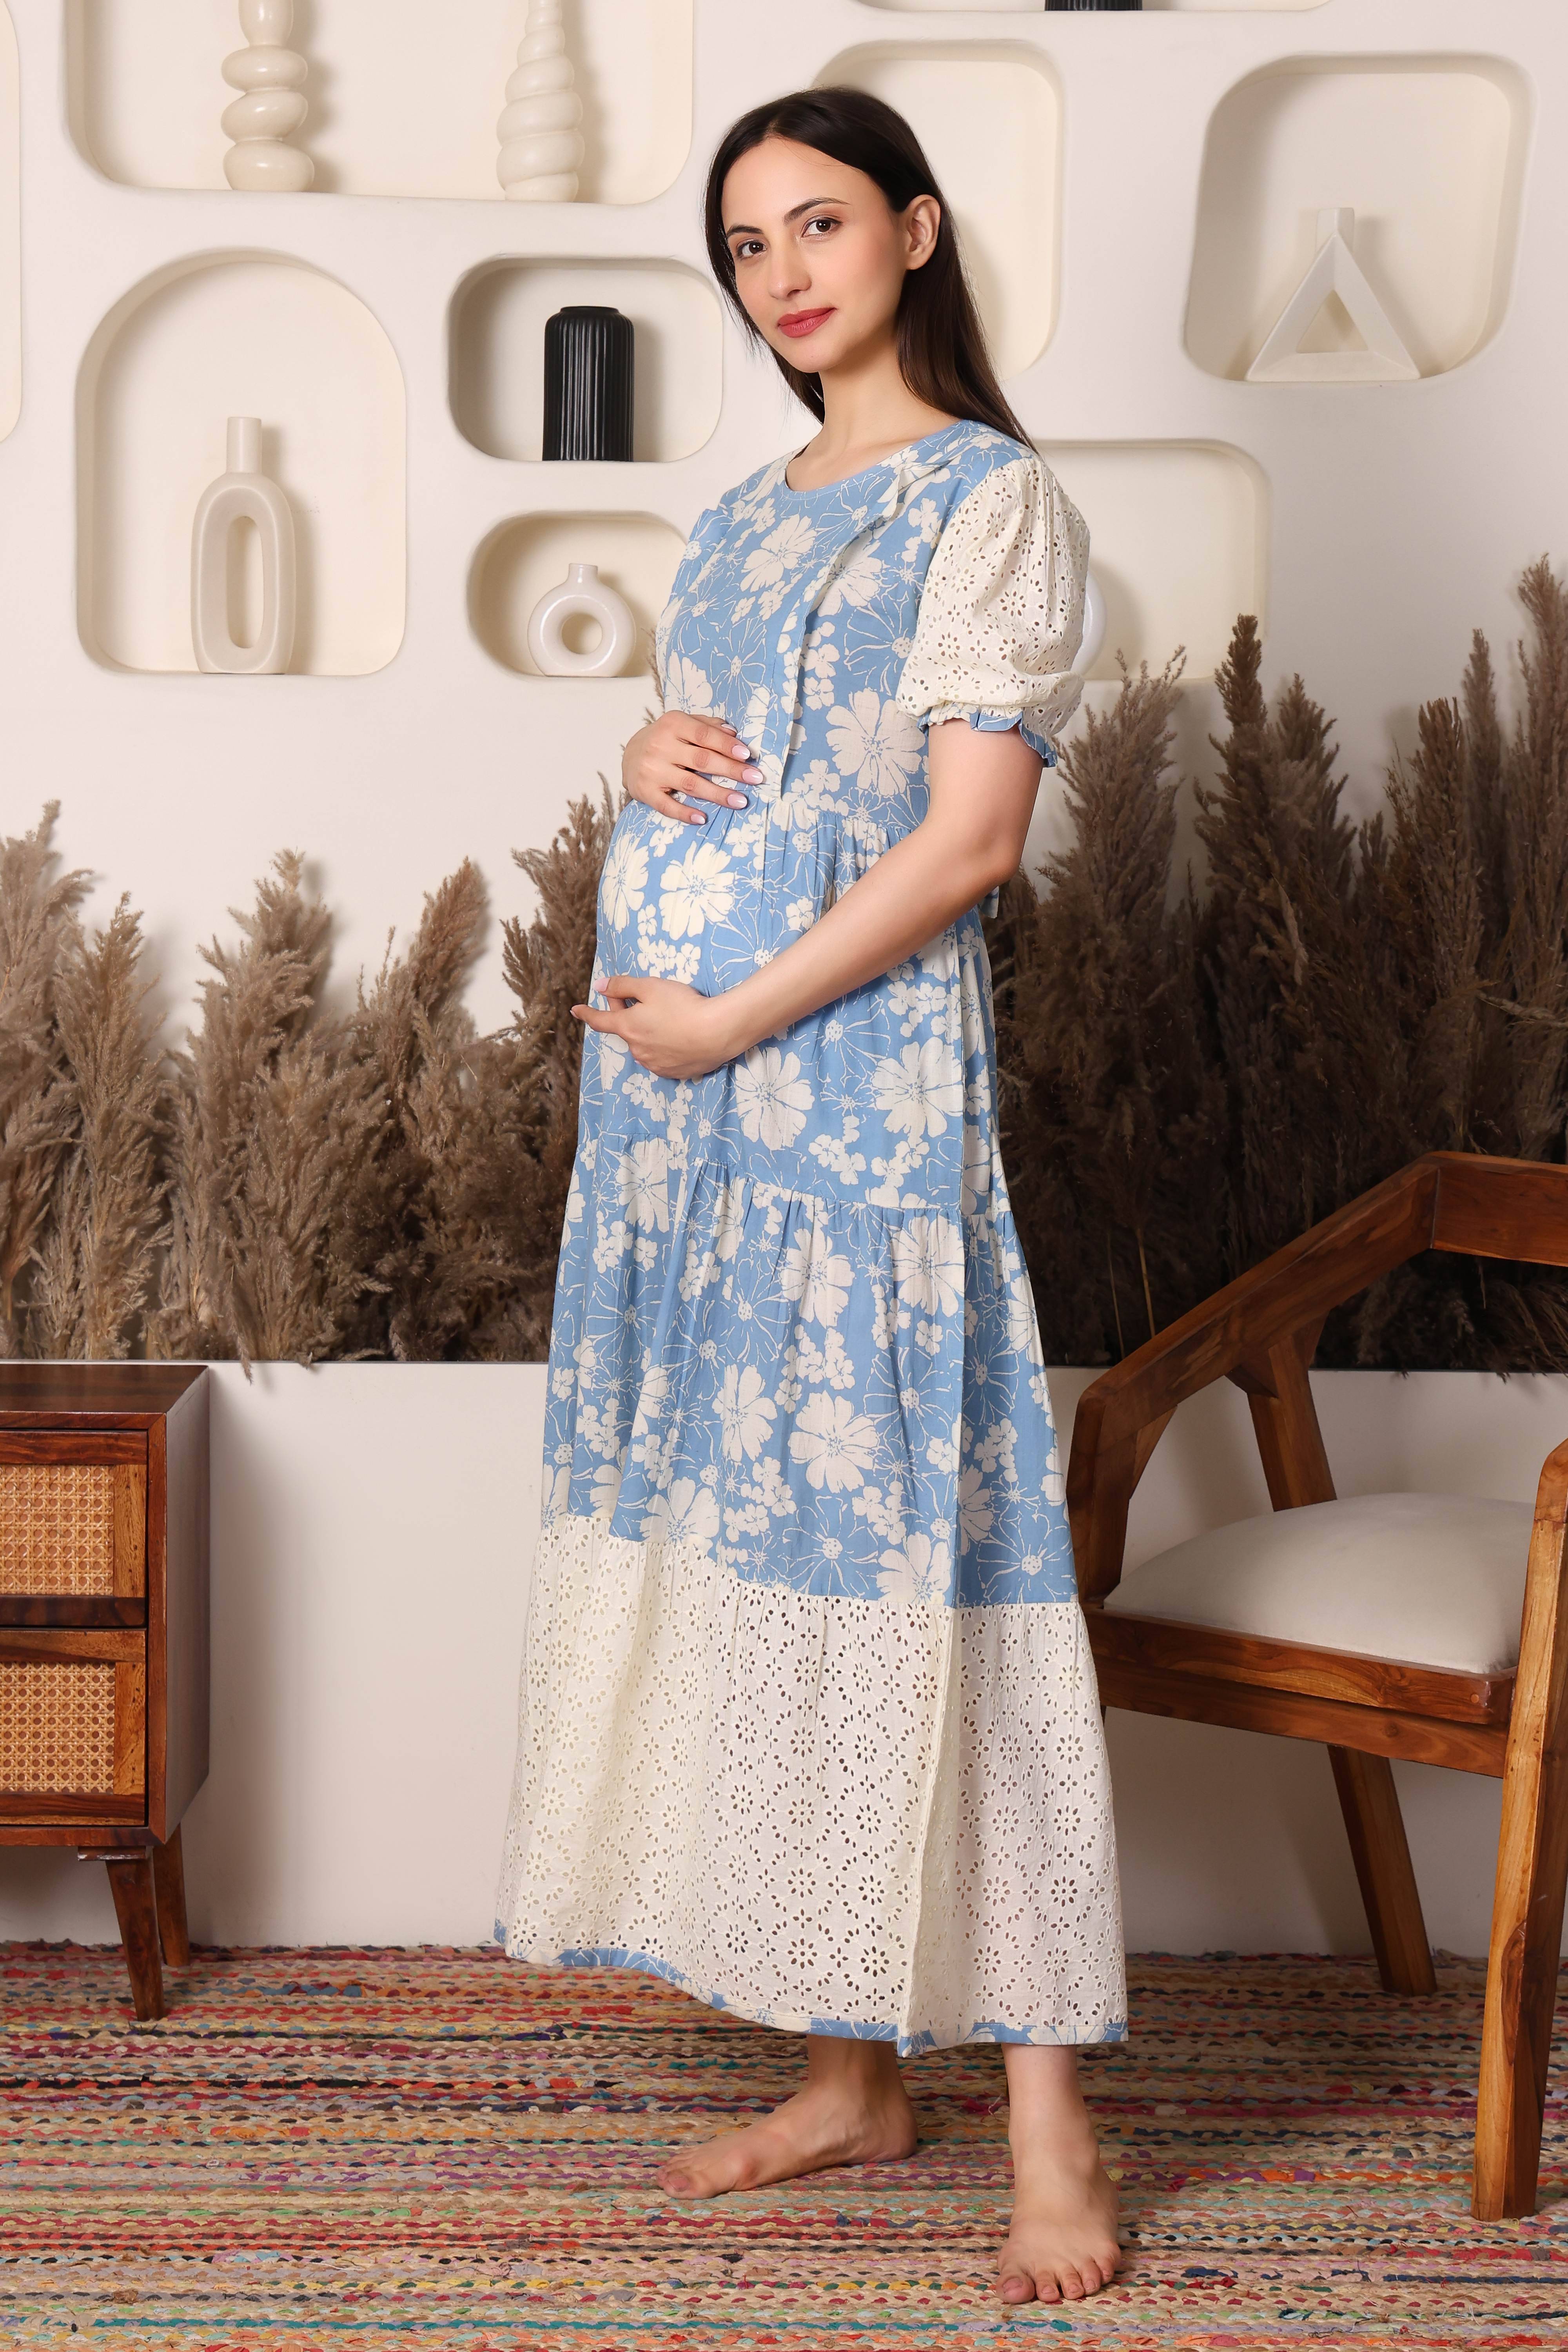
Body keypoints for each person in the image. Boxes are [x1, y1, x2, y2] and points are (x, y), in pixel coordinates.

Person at [495, 85, 1126, 2310]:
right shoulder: (741, 516)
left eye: (822, 223)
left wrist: (731, 1021)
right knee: (769, 1580)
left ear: (918, 232)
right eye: (748, 244)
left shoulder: (993, 502)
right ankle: (849, 2075)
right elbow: (745, 759)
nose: (784, 273)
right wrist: (639, 754)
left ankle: (1051, 2132)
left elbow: (967, 846)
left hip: (848, 1120)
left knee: (941, 1571)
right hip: (687, 1143)